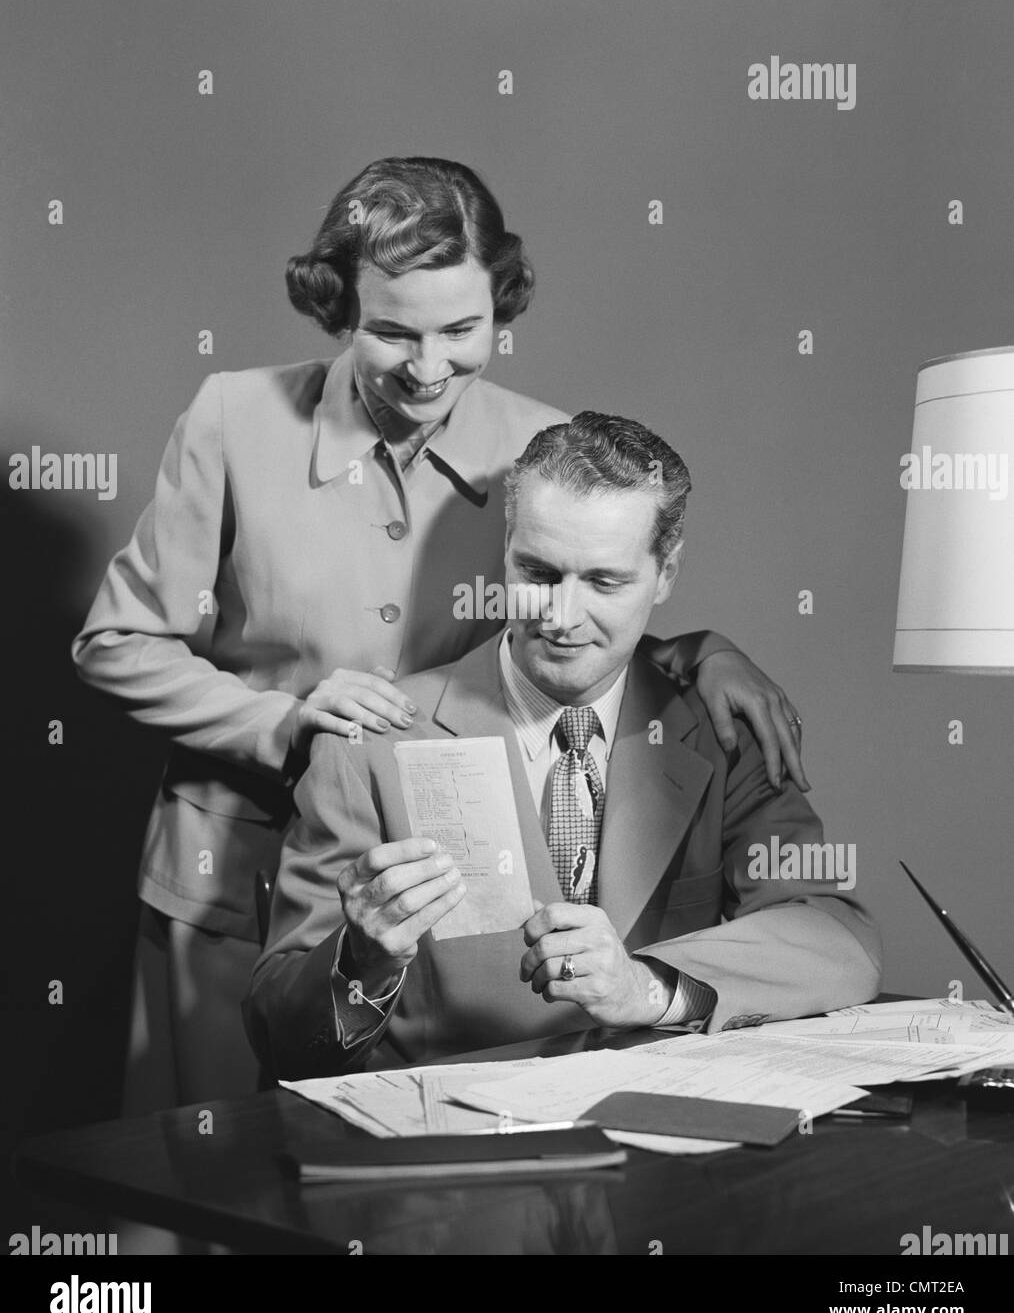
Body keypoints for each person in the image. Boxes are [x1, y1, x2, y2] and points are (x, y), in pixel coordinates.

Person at [72, 157, 809, 1111]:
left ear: (503, 309)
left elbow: (572, 610)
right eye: (391, 331)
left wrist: (702, 650)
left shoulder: (541, 440)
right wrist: (286, 721)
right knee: (214, 1186)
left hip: (441, 888)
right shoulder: (232, 418)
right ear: (340, 308)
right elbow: (117, 643)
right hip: (231, 880)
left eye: (463, 331)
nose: (428, 368)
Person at [245, 414, 881, 1078]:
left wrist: (649, 987)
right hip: (454, 1157)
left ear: (666, 575)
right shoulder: (371, 744)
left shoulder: (721, 728)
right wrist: (360, 964)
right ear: (505, 550)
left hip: (663, 1144)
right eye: (538, 572)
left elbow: (837, 937)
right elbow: (278, 1033)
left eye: (605, 582)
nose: (561, 617)